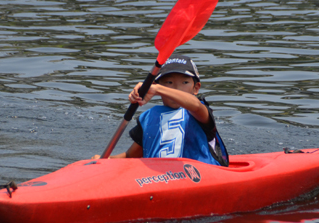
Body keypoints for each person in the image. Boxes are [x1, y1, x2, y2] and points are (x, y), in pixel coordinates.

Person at [93, 55, 228, 166]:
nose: (176, 88)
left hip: (198, 178)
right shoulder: (149, 118)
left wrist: (157, 89)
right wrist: (107, 161)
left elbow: (196, 106)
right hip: (157, 182)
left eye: (185, 83)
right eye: (169, 82)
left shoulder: (199, 112)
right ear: (158, 85)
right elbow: (130, 156)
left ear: (196, 88)